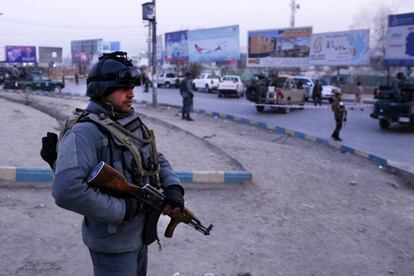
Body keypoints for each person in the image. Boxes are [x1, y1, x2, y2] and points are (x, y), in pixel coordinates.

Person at [51, 52, 185, 276]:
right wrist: (123, 209)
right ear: (102, 90)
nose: (131, 94)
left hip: (139, 236)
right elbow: (67, 190)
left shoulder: (128, 121)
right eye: (123, 88)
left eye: (132, 87)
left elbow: (153, 155)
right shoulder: (86, 132)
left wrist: (173, 187)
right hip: (113, 244)